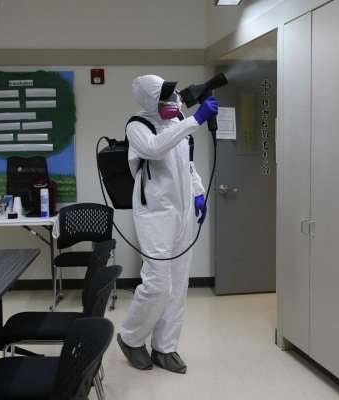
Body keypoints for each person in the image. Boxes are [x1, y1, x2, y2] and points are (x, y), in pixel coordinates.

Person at [117, 75, 219, 374]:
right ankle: (131, 337)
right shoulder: (137, 126)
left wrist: (198, 193)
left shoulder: (178, 122)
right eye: (164, 97)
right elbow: (154, 149)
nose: (173, 101)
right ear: (149, 101)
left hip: (182, 211)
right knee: (158, 283)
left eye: (172, 95)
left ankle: (165, 347)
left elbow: (187, 163)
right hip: (155, 214)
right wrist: (195, 120)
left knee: (178, 284)